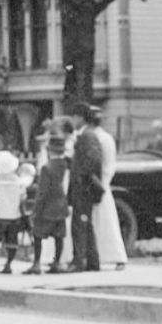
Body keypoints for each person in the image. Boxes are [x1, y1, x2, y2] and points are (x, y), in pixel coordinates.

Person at [87, 105, 127, 268]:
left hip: (97, 184)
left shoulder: (99, 138)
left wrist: (100, 183)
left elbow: (104, 164)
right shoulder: (105, 137)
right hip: (100, 184)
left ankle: (114, 256)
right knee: (104, 223)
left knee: (103, 222)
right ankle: (110, 255)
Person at [67, 108, 105, 273]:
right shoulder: (85, 135)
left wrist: (81, 176)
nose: (73, 120)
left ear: (80, 117)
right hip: (83, 187)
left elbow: (92, 159)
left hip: (84, 188)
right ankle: (91, 261)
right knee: (85, 224)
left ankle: (79, 261)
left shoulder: (88, 136)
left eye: (74, 116)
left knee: (80, 224)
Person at [26, 132, 71, 274]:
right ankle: (56, 262)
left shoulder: (47, 168)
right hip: (62, 206)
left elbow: (42, 192)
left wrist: (35, 210)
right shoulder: (66, 165)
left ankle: (37, 263)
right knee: (59, 236)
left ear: (49, 150)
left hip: (47, 208)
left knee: (38, 235)